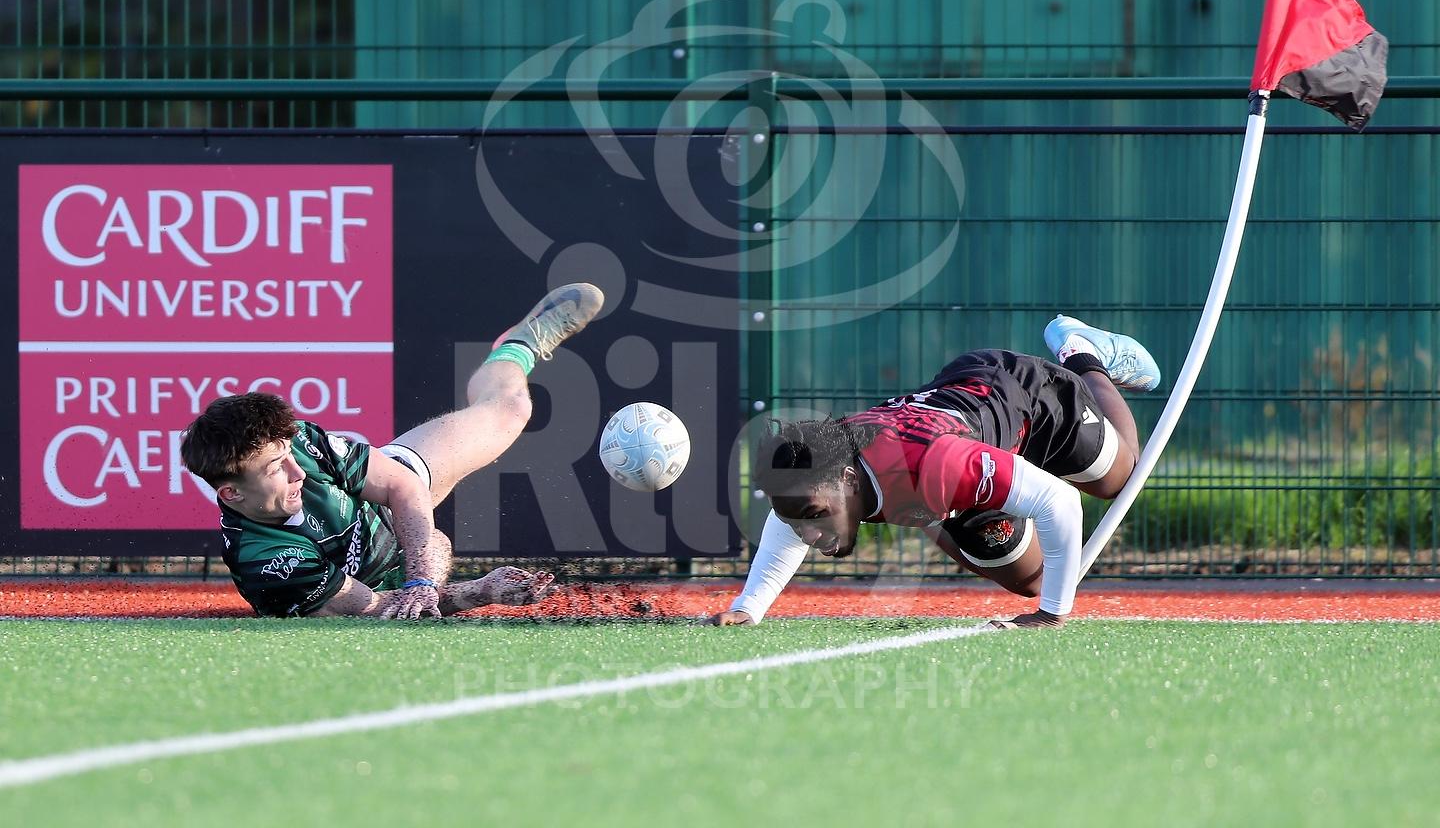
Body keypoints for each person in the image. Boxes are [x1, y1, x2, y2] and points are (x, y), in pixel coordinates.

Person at [708, 314, 1162, 630]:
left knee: (1118, 480)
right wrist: (749, 607)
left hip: (1022, 397)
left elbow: (1058, 501)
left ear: (847, 481)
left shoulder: (935, 466)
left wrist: (1052, 615)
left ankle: (1082, 353)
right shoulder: (818, 480)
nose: (808, 535)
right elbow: (790, 516)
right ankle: (957, 505)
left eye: (813, 515)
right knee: (1032, 582)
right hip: (958, 454)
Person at [180, 283, 605, 619]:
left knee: (510, 409)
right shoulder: (269, 562)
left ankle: (517, 346)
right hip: (378, 584)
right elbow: (379, 607)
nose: (299, 472)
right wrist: (480, 591)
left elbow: (402, 486)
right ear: (231, 493)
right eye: (277, 468)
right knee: (431, 547)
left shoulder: (298, 442)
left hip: (383, 505)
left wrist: (422, 581)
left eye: (290, 454)